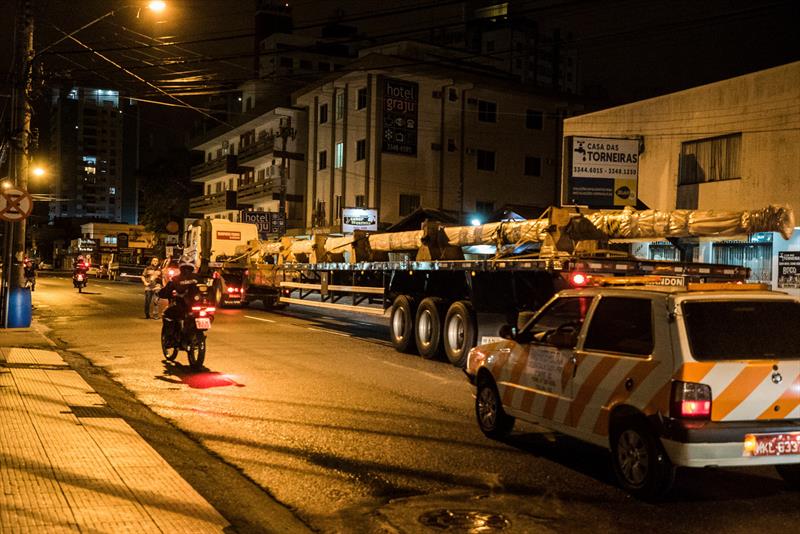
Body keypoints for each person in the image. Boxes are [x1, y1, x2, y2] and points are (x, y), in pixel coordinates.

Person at [158, 260, 200, 346]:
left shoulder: (176, 279)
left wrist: (159, 293)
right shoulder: (199, 278)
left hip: (182, 306)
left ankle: (170, 339)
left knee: (166, 314)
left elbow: (166, 291)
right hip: (198, 306)